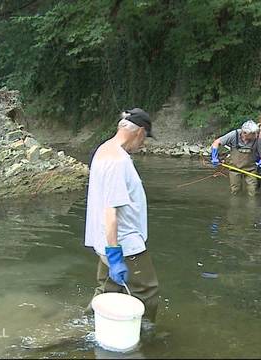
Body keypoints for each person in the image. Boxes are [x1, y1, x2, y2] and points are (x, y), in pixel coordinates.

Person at [84, 108, 159, 326]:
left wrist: (109, 249)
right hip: (124, 244)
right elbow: (110, 211)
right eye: (145, 139)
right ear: (140, 132)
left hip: (105, 240)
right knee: (147, 291)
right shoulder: (118, 161)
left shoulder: (104, 150)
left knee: (107, 290)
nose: (143, 145)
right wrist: (115, 254)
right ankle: (143, 336)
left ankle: (85, 327)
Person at [210, 119, 261, 196]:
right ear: (245, 133)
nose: (256, 135)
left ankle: (252, 206)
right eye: (253, 134)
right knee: (235, 191)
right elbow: (216, 143)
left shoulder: (257, 140)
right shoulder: (234, 135)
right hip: (235, 168)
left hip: (251, 170)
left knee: (252, 192)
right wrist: (214, 157)